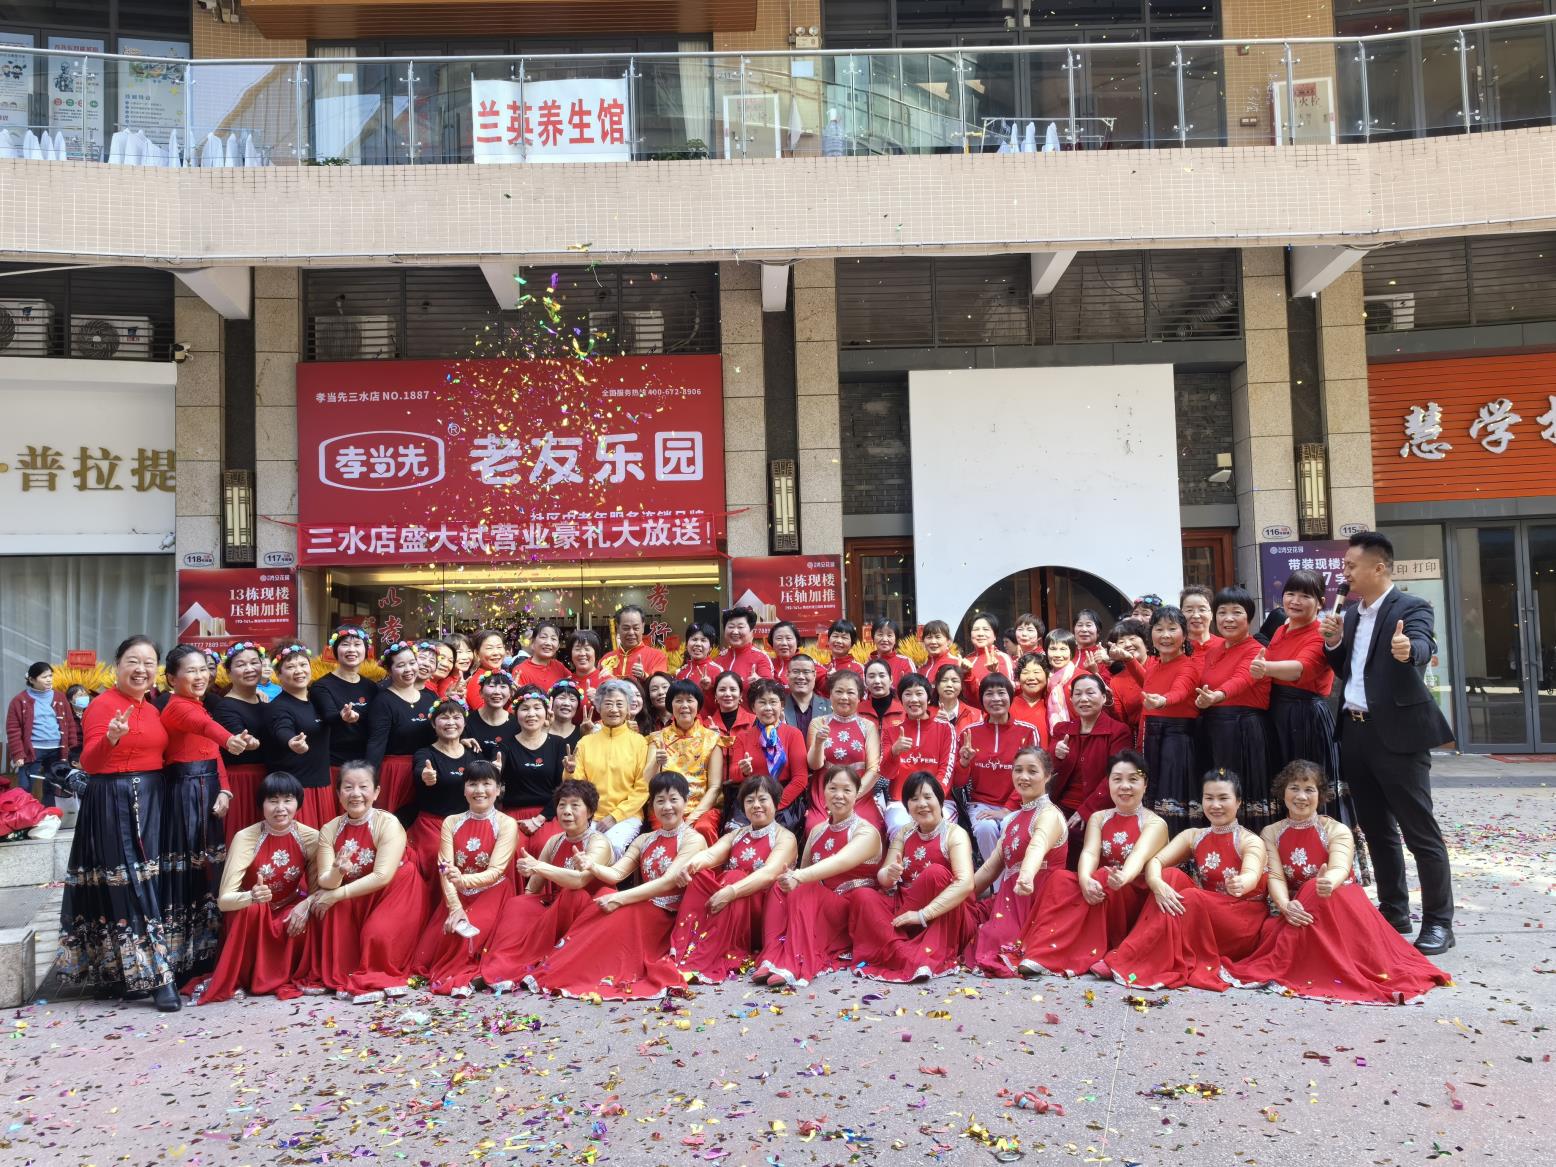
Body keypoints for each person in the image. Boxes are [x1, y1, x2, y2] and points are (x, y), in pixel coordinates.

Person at [1321, 530, 1455, 955]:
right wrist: (1333, 642)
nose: (1344, 573)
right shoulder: (1351, 614)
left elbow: (1422, 644)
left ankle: (1439, 923)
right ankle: (1394, 910)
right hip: (1355, 732)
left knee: (1420, 832)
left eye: (1350, 566)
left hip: (1398, 735)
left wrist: (1408, 648)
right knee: (1377, 829)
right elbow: (1346, 669)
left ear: (1378, 568)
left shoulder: (1411, 607)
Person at [1224, 760, 1451, 1002]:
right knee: (1299, 902)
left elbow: (1340, 868)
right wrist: (1285, 905)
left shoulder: (1337, 829)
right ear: (1283, 791)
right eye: (1294, 788)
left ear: (1320, 795)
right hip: (1299, 910)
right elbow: (1276, 875)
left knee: (1312, 887)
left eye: (1309, 790)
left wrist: (1328, 883)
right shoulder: (1271, 832)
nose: (1301, 796)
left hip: (1340, 902)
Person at [56, 636, 180, 1011]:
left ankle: (125, 974)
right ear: (117, 665)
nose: (141, 669)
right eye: (133, 661)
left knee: (144, 883)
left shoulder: (153, 707)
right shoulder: (102, 705)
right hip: (115, 800)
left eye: (149, 662)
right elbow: (90, 763)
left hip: (151, 801)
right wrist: (111, 737)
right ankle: (159, 978)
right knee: (132, 883)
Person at [524, 770, 707, 999]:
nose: (667, 807)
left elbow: (668, 881)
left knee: (611, 921)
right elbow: (616, 874)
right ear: (652, 805)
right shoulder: (644, 839)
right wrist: (592, 866)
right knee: (598, 916)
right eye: (660, 800)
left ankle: (572, 973)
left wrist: (620, 898)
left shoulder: (693, 839)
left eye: (673, 799)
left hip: (670, 916)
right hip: (643, 905)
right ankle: (558, 969)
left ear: (686, 801)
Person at [1096, 769, 1269, 991]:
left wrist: (1242, 882)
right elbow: (1156, 861)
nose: (1215, 805)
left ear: (1238, 802)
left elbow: (1252, 874)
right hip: (1205, 913)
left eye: (1223, 798)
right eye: (1209, 798)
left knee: (1191, 897)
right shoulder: (1194, 836)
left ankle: (1130, 957)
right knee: (1170, 876)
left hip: (1240, 920)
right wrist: (1156, 883)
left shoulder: (1249, 840)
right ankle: (1136, 954)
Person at [1253, 569, 1369, 878]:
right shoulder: (1281, 628)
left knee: (1310, 790)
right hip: (1277, 716)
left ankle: (1328, 869)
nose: (1295, 600)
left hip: (1306, 717)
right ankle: (1287, 867)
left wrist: (1265, 668)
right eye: (1290, 593)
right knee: (1284, 790)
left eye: (1305, 595)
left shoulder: (1321, 632)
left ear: (1319, 602)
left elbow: (1299, 670)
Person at [1015, 750, 1169, 978]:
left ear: (1145, 784)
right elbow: (1089, 852)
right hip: (1100, 887)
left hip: (1131, 892)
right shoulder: (1099, 817)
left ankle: (1065, 954)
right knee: (1059, 879)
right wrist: (1085, 879)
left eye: (1133, 780)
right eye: (1117, 779)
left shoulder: (1155, 823)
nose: (1124, 786)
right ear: (1108, 783)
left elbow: (1138, 856)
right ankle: (1041, 951)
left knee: (1104, 876)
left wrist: (1122, 877)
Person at [292, 760, 429, 1004]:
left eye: (363, 787)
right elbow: (326, 881)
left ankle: (377, 972)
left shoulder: (388, 823)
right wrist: (337, 872)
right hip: (355, 892)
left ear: (376, 792)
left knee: (376, 935)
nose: (355, 794)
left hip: (396, 890)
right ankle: (342, 972)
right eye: (348, 787)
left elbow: (382, 876)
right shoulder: (330, 829)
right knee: (326, 910)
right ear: (338, 793)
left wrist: (337, 893)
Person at [185, 771, 320, 1005]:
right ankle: (248, 977)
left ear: (298, 802)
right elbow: (224, 900)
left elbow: (319, 890)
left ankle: (297, 972)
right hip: (253, 914)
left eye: (287, 800)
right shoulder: (246, 837)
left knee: (309, 912)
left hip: (289, 910)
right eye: (273, 801)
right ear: (261, 804)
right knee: (253, 910)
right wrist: (252, 896)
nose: (280, 808)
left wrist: (306, 905)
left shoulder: (311, 838)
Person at [160, 644, 252, 976]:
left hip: (207, 787)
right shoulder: (176, 707)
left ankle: (207, 950)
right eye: (191, 671)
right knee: (189, 871)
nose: (200, 676)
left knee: (209, 869)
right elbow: (204, 728)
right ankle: (181, 957)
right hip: (185, 792)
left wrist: (224, 789)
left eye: (204, 669)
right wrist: (230, 739)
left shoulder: (197, 704)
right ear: (172, 679)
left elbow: (211, 751)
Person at [753, 765, 883, 987]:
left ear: (857, 794)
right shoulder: (817, 831)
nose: (839, 795)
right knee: (780, 886)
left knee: (804, 885)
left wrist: (798, 876)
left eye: (847, 790)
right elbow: (803, 871)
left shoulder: (866, 831)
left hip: (849, 911)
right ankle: (771, 956)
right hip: (819, 906)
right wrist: (790, 879)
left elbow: (841, 861)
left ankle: (794, 962)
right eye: (833, 788)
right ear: (823, 793)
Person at [480, 779, 612, 990]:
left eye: (575, 805)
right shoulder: (555, 841)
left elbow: (579, 880)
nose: (566, 811)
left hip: (589, 910)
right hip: (558, 907)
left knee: (573, 895)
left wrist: (539, 866)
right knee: (518, 904)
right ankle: (501, 964)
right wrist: (530, 877)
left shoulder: (598, 842)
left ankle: (529, 961)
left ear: (590, 811)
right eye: (562, 805)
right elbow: (532, 889)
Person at [848, 772, 977, 982]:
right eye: (914, 799)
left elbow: (965, 884)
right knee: (862, 895)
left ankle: (899, 951)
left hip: (944, 916)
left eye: (927, 797)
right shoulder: (905, 832)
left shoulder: (955, 834)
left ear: (940, 800)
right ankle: (903, 952)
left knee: (935, 873)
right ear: (907, 807)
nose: (922, 804)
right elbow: (883, 878)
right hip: (904, 910)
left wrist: (922, 915)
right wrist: (889, 874)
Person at [670, 774, 798, 982]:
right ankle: (685, 947)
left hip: (762, 914)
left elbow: (768, 874)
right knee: (699, 876)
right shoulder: (736, 834)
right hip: (729, 903)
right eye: (750, 801)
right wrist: (689, 866)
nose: (756, 805)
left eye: (762, 799)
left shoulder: (785, 837)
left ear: (776, 803)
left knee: (734, 876)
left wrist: (731, 891)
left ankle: (711, 950)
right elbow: (710, 855)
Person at [411, 760, 520, 996]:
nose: (479, 790)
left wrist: (462, 881)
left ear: (498, 789)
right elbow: (444, 867)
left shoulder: (507, 823)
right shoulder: (451, 821)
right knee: (428, 953)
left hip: (493, 892)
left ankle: (476, 974)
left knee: (465, 940)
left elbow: (495, 872)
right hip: (456, 895)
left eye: (486, 784)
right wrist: (455, 906)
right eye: (472, 784)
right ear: (464, 789)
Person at [963, 746, 1068, 977]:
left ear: (1047, 776)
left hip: (1039, 900)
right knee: (962, 918)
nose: (1023, 777)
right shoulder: (1012, 820)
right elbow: (990, 868)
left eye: (1032, 771)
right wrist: (961, 894)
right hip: (1011, 900)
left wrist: (1026, 876)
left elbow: (1037, 845)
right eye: (1018, 770)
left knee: (997, 941)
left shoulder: (1049, 814)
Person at [1193, 587, 1276, 831]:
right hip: (1214, 729)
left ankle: (1251, 845)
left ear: (1249, 617)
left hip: (1244, 729)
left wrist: (1217, 696)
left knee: (1241, 791)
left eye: (1236, 612)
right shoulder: (1214, 651)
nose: (1228, 619)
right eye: (1222, 612)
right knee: (1216, 790)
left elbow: (1242, 679)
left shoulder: (1257, 649)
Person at [1126, 606, 1203, 836]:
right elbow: (1148, 682)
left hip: (1177, 739)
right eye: (1159, 629)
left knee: (1173, 796)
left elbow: (1180, 690)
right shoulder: (1154, 665)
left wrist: (1162, 701)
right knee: (1153, 794)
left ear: (1184, 634)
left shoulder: (1189, 666)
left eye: (1172, 629)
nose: (1165, 635)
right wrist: (1129, 661)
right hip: (1152, 737)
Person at [1049, 672, 1134, 865]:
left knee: (1073, 837)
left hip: (1097, 807)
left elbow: (1116, 775)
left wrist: (1087, 810)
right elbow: (1047, 768)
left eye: (1090, 693)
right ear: (1071, 699)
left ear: (1103, 697)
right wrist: (1055, 754)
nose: (1083, 699)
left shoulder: (1118, 731)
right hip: (1060, 805)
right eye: (1078, 694)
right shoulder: (1062, 730)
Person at [953, 674, 1040, 861]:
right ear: (981, 699)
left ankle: (1011, 876)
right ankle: (996, 879)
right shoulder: (969, 733)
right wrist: (964, 763)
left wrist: (1007, 809)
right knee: (986, 828)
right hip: (981, 804)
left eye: (1001, 693)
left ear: (1010, 696)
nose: (996, 699)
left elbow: (1033, 778)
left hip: (1019, 804)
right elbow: (959, 783)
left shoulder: (1028, 731)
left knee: (1009, 824)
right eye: (989, 694)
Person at [574, 678, 651, 858]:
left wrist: (615, 816)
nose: (614, 709)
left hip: (627, 816)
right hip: (590, 815)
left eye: (619, 704)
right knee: (579, 848)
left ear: (628, 708)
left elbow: (643, 788)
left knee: (609, 847)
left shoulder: (639, 742)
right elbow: (576, 785)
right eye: (608, 704)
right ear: (599, 707)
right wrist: (569, 772)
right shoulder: (585, 742)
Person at [408, 698, 481, 877]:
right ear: (434, 723)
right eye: (444, 717)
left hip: (468, 823)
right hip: (433, 825)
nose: (450, 722)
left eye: (456, 717)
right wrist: (425, 776)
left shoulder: (473, 754)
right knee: (439, 861)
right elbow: (420, 770)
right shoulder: (425, 754)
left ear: (464, 722)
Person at [263, 644, 334, 829]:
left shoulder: (316, 702)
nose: (299, 671)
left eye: (303, 665)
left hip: (322, 786)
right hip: (295, 792)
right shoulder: (278, 707)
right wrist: (291, 741)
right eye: (290, 666)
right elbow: (282, 728)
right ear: (278, 674)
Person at [363, 641, 437, 814]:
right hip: (395, 772)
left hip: (426, 769)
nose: (408, 669)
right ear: (389, 670)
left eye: (412, 663)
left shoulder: (430, 698)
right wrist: (368, 779)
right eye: (401, 665)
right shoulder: (383, 701)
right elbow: (376, 744)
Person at [646, 679, 724, 843]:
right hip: (665, 806)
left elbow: (715, 787)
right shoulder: (657, 738)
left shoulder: (712, 738)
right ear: (670, 705)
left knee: (703, 828)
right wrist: (656, 762)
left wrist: (691, 819)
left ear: (698, 705)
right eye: (678, 700)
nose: (684, 705)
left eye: (690, 700)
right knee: (665, 832)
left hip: (702, 807)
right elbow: (647, 781)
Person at [804, 670, 882, 833]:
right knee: (815, 827)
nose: (844, 697)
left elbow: (874, 769)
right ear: (830, 695)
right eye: (839, 691)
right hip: (826, 791)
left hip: (860, 793)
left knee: (870, 828)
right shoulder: (818, 723)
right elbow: (814, 765)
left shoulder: (868, 726)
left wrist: (852, 795)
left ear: (860, 697)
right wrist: (818, 742)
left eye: (850, 692)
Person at [209, 643, 272, 843]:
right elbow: (237, 740)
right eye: (241, 664)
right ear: (228, 672)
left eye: (254, 662)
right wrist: (249, 743)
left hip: (266, 777)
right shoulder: (225, 707)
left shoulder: (264, 702)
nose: (249, 669)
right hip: (242, 781)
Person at [494, 686, 569, 852]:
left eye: (537, 708)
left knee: (546, 846)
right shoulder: (504, 746)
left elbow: (563, 788)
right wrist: (494, 772)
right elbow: (493, 779)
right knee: (512, 849)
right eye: (525, 709)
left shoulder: (558, 744)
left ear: (546, 712)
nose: (531, 714)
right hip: (513, 816)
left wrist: (539, 819)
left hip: (549, 813)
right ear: (516, 713)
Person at [727, 678, 809, 830]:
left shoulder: (793, 734)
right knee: (736, 832)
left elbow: (800, 779)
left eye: (773, 702)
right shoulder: (743, 737)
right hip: (752, 800)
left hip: (784, 800)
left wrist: (773, 805)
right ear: (753, 707)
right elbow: (733, 774)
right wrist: (744, 771)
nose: (768, 707)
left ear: (781, 705)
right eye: (762, 702)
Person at [879, 673, 955, 836]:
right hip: (901, 801)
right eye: (907, 694)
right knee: (899, 826)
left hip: (939, 799)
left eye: (919, 693)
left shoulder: (945, 729)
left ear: (928, 698)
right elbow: (886, 773)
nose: (913, 699)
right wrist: (894, 752)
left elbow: (947, 769)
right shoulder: (890, 731)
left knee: (939, 829)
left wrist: (930, 799)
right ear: (900, 699)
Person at [7, 662, 78, 807]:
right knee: (24, 786)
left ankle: (48, 814)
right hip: (32, 750)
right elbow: (13, 729)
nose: (49, 679)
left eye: (50, 676)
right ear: (32, 679)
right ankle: (24, 814)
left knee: (52, 786)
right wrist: (18, 754)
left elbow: (70, 722)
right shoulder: (19, 700)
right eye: (44, 677)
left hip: (57, 749)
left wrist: (72, 746)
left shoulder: (60, 697)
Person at [314, 627, 377, 781]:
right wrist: (341, 716)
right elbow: (329, 715)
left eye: (357, 644)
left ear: (366, 649)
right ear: (334, 650)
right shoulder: (321, 686)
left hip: (366, 764)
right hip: (334, 765)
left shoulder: (372, 687)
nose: (351, 650)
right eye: (345, 644)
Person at [1100, 619, 1149, 735]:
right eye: (1121, 642)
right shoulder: (1116, 681)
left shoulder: (1160, 665)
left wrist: (1130, 660)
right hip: (1138, 737)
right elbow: (1120, 721)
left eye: (1132, 638)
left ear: (1147, 644)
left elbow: (1151, 687)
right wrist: (1109, 703)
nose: (1127, 644)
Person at [600, 605, 669, 682]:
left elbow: (661, 686)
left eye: (636, 628)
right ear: (618, 628)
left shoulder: (657, 656)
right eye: (626, 628)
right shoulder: (606, 659)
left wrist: (645, 676)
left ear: (643, 628)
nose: (631, 633)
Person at [465, 670, 517, 762]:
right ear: (481, 693)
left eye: (503, 687)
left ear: (510, 693)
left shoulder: (516, 724)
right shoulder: (467, 722)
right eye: (491, 686)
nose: (497, 692)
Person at [715, 605, 775, 681]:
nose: (735, 632)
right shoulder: (718, 659)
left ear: (751, 631)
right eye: (731, 627)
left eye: (740, 627)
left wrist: (759, 682)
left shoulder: (761, 658)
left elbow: (769, 686)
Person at [961, 612, 1014, 695]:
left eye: (986, 629)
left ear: (995, 636)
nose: (980, 634)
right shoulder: (967, 660)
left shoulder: (1003, 658)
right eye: (976, 629)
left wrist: (996, 672)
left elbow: (1007, 694)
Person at [781, 653, 830, 738]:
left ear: (814, 675)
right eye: (795, 672)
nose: (801, 677)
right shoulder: (778, 707)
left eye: (806, 672)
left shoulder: (830, 707)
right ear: (787, 675)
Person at [1010, 653, 1051, 748]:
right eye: (1025, 673)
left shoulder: (1054, 705)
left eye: (1036, 672)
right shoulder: (1008, 705)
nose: (1031, 677)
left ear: (1047, 675)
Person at [859, 658, 905, 739]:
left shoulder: (904, 709)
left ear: (891, 679)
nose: (877, 681)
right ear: (865, 681)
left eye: (882, 676)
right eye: (871, 676)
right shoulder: (857, 711)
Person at [676, 621, 724, 697]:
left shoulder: (718, 671)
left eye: (703, 640)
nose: (698, 644)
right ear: (686, 644)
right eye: (694, 639)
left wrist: (710, 687)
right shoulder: (681, 672)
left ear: (711, 648)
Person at [1043, 631, 1079, 729]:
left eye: (1063, 649)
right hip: (1051, 733)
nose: (1058, 654)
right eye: (1053, 649)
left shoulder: (1082, 677)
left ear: (1071, 652)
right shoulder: (1043, 678)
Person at [933, 663, 982, 737]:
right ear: (936, 685)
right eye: (944, 680)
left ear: (961, 686)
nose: (949, 685)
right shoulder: (926, 713)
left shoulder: (974, 714)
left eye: (954, 681)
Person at [818, 619, 864, 692]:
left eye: (844, 637)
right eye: (835, 636)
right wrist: (827, 680)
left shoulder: (858, 668)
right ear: (828, 640)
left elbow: (862, 694)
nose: (839, 641)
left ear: (852, 644)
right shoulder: (822, 667)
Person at [868, 619, 914, 685]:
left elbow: (913, 688)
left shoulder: (905, 663)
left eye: (889, 635)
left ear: (895, 639)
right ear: (873, 638)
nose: (884, 639)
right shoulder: (867, 663)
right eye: (880, 634)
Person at [566, 629, 608, 700]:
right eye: (577, 649)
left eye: (587, 649)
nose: (582, 654)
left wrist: (599, 701)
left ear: (596, 653)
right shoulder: (566, 683)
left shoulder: (607, 681)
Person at [548, 679, 588, 751]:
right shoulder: (539, 731)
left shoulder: (583, 733)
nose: (566, 703)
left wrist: (587, 735)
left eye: (572, 699)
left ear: (577, 706)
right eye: (562, 698)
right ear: (551, 701)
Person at [1180, 586, 1221, 652]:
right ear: (1181, 614)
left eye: (1202, 610)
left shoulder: (1225, 646)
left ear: (1211, 614)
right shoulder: (1175, 649)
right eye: (1189, 610)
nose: (1196, 616)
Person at [920, 621, 961, 686]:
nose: (933, 642)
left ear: (948, 641)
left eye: (938, 637)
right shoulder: (921, 669)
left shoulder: (957, 664)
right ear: (923, 641)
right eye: (929, 637)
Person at [1073, 609, 1108, 673]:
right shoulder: (1067, 653)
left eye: (1088, 625)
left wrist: (1095, 672)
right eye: (1080, 625)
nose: (1084, 629)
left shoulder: (1103, 656)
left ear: (1098, 631)